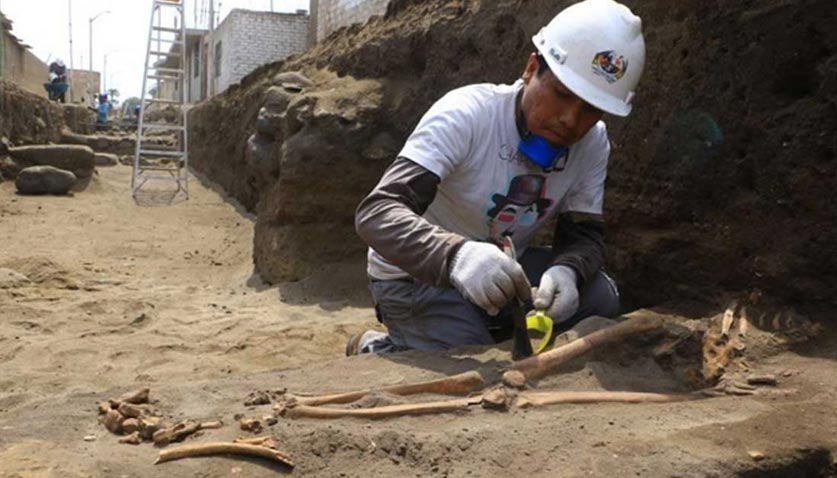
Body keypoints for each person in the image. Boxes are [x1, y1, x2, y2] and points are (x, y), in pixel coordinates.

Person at [349, 0, 646, 354]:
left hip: (506, 264)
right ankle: (377, 347)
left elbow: (585, 235)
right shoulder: (467, 115)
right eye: (562, 95)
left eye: (591, 109)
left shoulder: (593, 143)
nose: (571, 120)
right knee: (466, 356)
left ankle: (475, 328)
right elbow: (377, 214)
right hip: (414, 277)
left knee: (601, 299)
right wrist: (456, 255)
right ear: (531, 68)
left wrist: (568, 270)